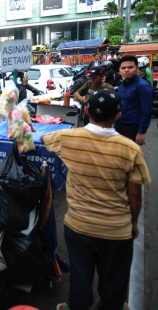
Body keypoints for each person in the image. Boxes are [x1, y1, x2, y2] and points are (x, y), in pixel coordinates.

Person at [42, 90, 150, 310]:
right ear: (118, 115)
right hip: (116, 230)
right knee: (114, 280)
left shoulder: (67, 137)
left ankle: (77, 306)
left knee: (81, 276)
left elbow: (39, 138)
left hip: (79, 226)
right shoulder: (130, 150)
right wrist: (133, 223)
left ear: (87, 110)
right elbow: (135, 195)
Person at [115, 55, 153, 144]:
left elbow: (147, 111)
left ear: (137, 68)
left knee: (130, 155)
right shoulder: (122, 86)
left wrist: (141, 132)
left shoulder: (143, 86)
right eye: (123, 68)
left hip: (133, 127)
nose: (126, 70)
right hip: (120, 125)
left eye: (130, 67)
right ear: (119, 70)